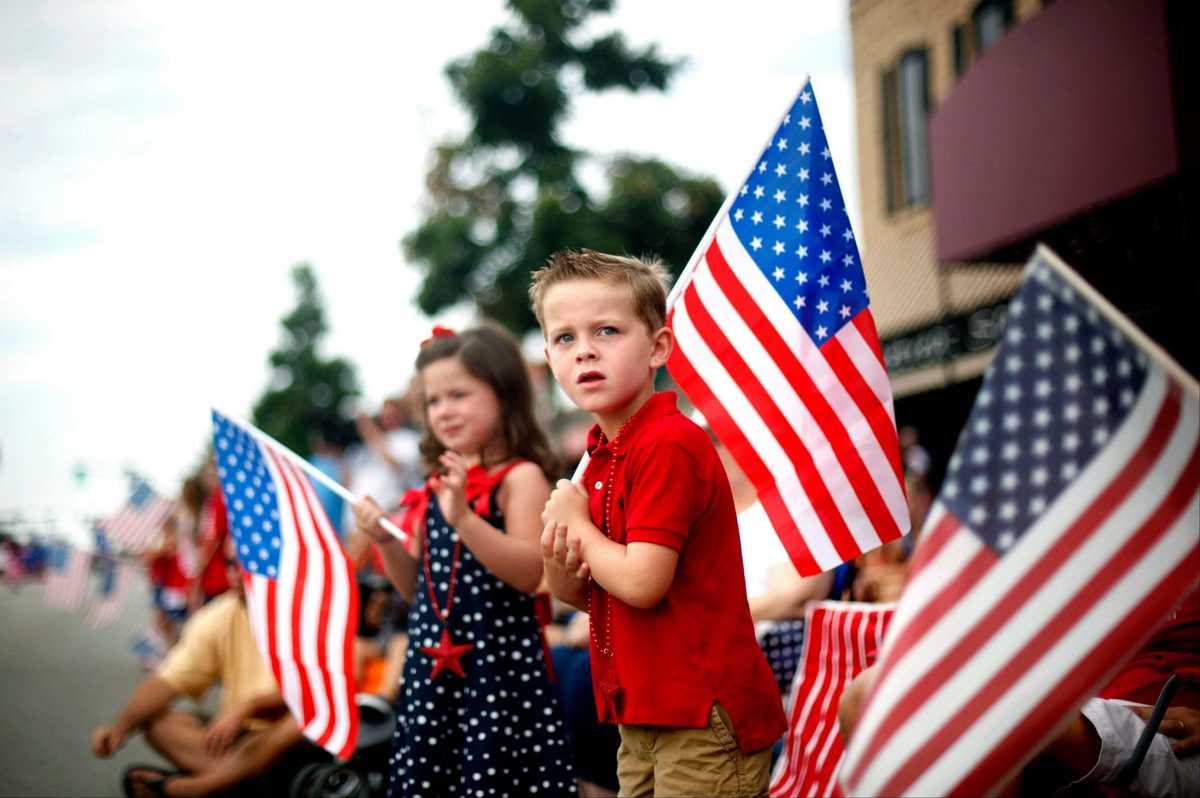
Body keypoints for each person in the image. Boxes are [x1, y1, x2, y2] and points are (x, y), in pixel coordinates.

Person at [532, 249, 787, 797]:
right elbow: (587, 592)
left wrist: (579, 523)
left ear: (658, 347)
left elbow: (643, 583)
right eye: (565, 338)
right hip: (645, 706)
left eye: (607, 330)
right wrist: (561, 560)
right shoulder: (603, 457)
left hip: (702, 709)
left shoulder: (667, 444)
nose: (586, 351)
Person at [353, 323, 575, 798]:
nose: (444, 410)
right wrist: (386, 542)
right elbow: (421, 592)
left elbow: (528, 572)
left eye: (459, 394)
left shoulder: (519, 476)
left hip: (499, 673)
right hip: (434, 674)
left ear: (503, 394)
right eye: (433, 401)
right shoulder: (439, 482)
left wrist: (463, 518)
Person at [93, 539, 326, 797]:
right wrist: (119, 730)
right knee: (159, 722)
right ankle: (237, 782)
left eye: (249, 564)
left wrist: (249, 707)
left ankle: (202, 786)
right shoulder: (218, 615)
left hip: (293, 738)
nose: (238, 573)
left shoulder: (307, 610)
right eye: (231, 563)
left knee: (295, 726)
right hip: (240, 740)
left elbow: (317, 694)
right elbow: (167, 682)